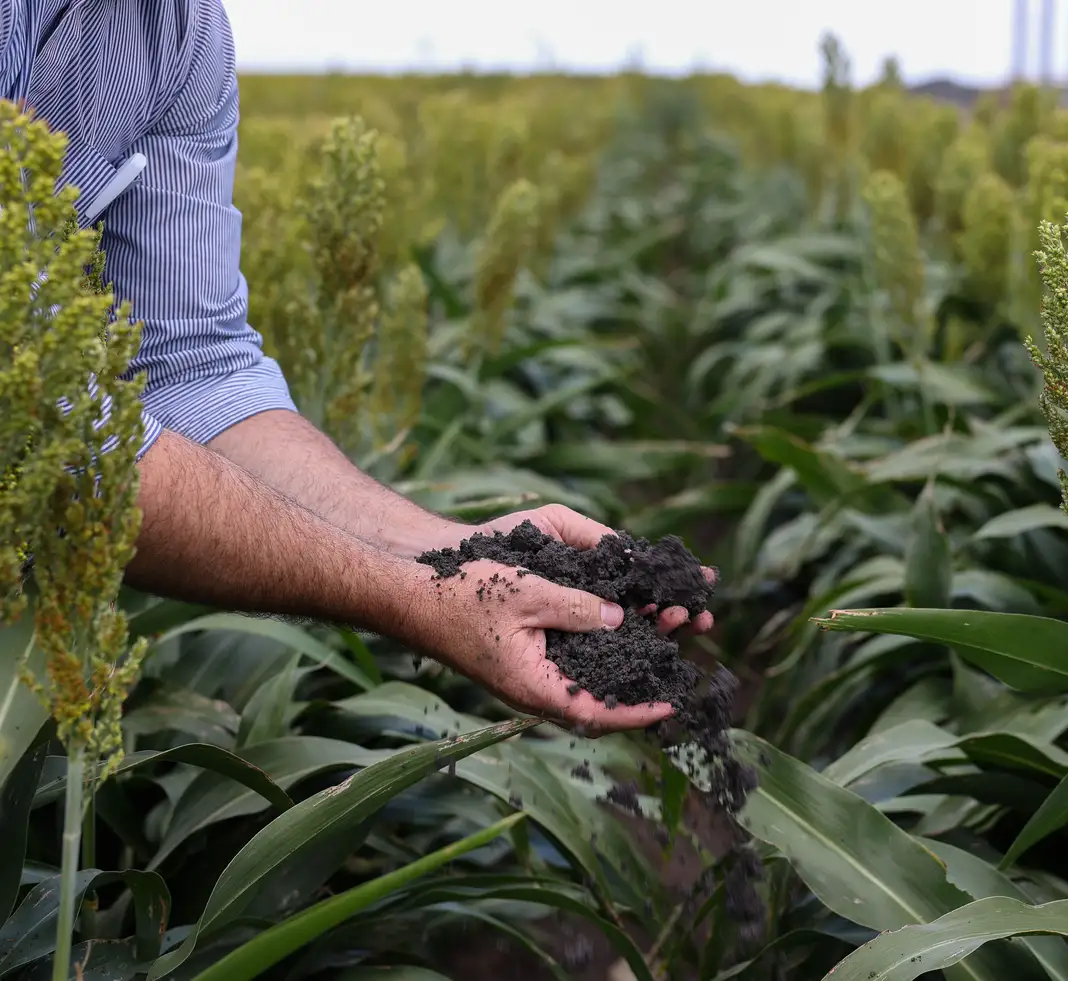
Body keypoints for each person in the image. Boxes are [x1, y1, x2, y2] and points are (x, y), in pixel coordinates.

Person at [0, 0, 713, 734]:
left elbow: (189, 369)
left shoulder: (179, 30)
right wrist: (413, 598)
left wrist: (456, 554)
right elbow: (29, 416)